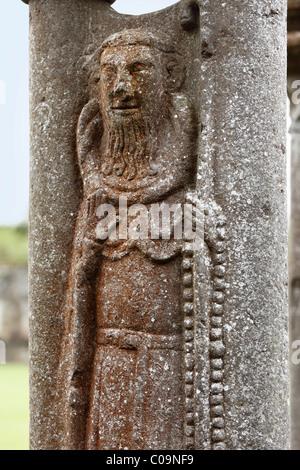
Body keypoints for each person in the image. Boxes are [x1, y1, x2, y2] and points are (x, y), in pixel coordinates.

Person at [56, 29, 197, 450]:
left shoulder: (189, 184)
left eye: (139, 71)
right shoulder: (96, 190)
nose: (121, 87)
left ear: (169, 77)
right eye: (110, 74)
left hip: (171, 370)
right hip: (109, 367)